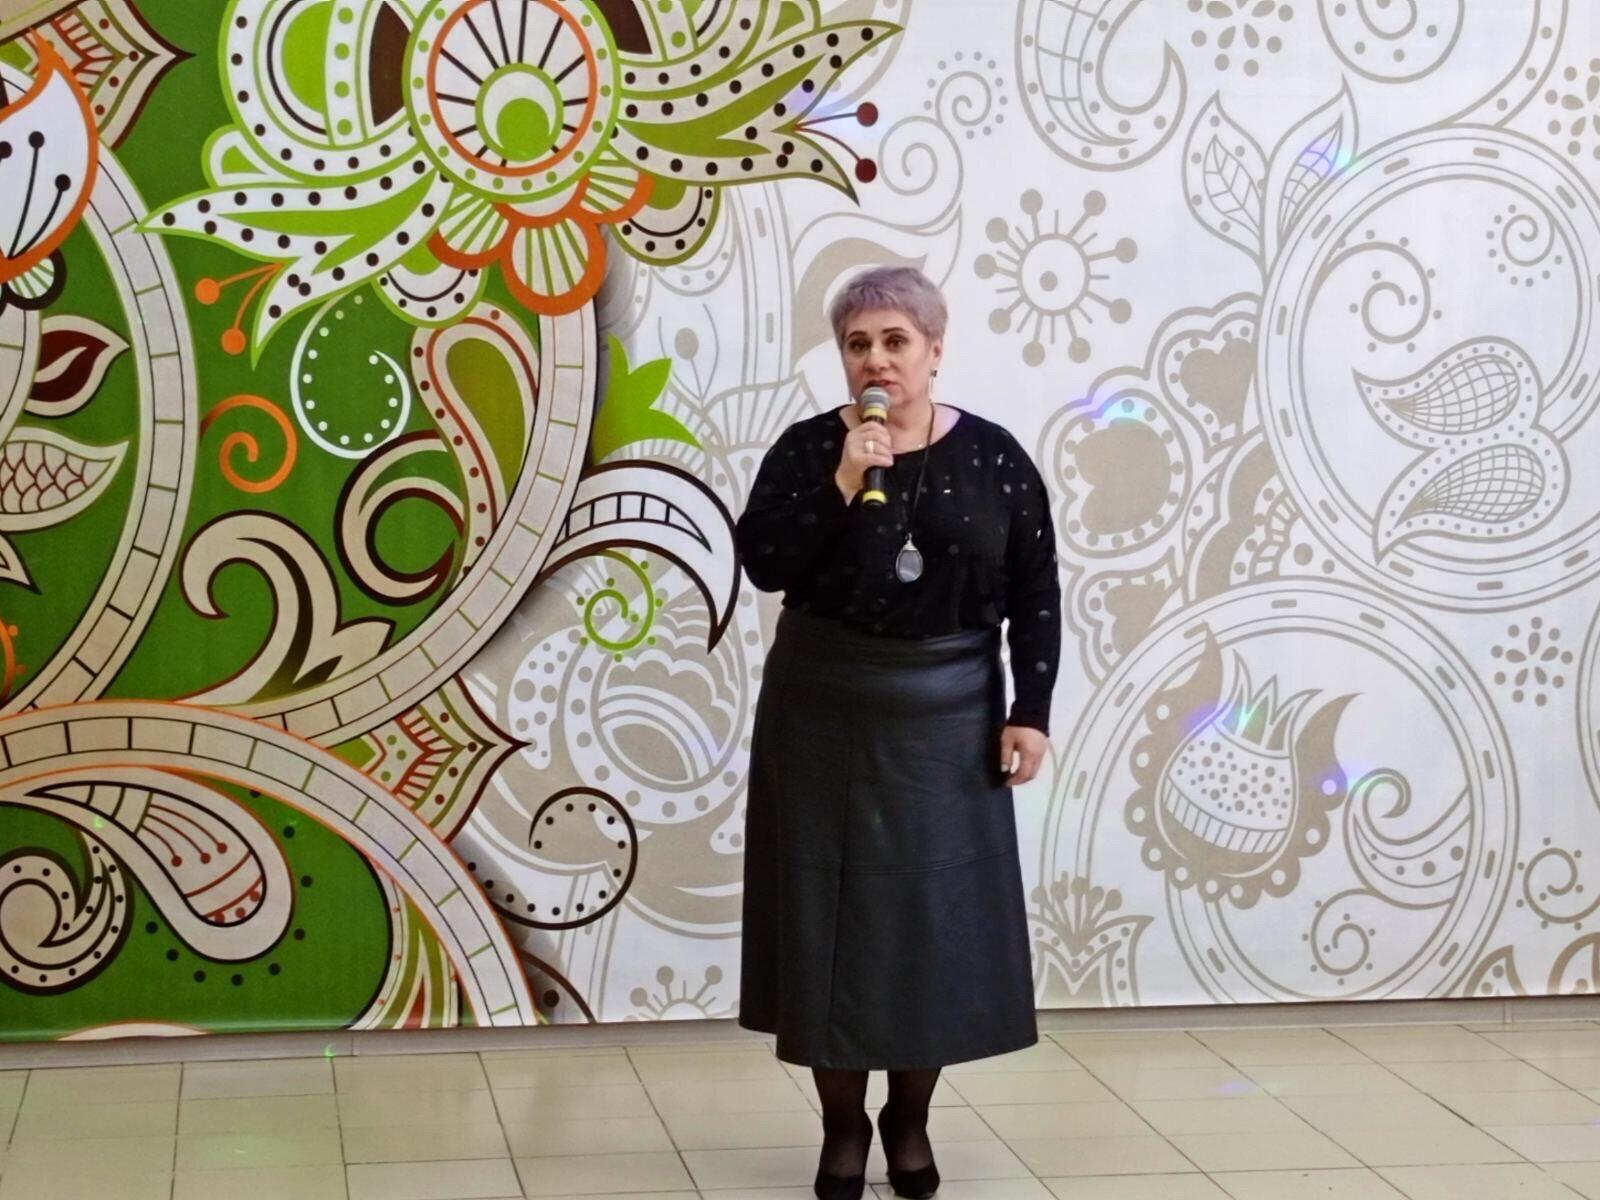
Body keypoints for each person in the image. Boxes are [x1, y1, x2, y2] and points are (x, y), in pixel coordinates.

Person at [734, 265, 1062, 1200]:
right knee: (828, 922)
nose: (876, 359)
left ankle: (907, 1119)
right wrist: (845, 480)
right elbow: (764, 562)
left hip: (949, 715)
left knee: (933, 925)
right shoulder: (811, 450)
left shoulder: (995, 457)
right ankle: (842, 1126)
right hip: (823, 707)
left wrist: (1030, 712)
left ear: (934, 350)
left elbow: (1036, 588)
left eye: (895, 341)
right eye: (858, 344)